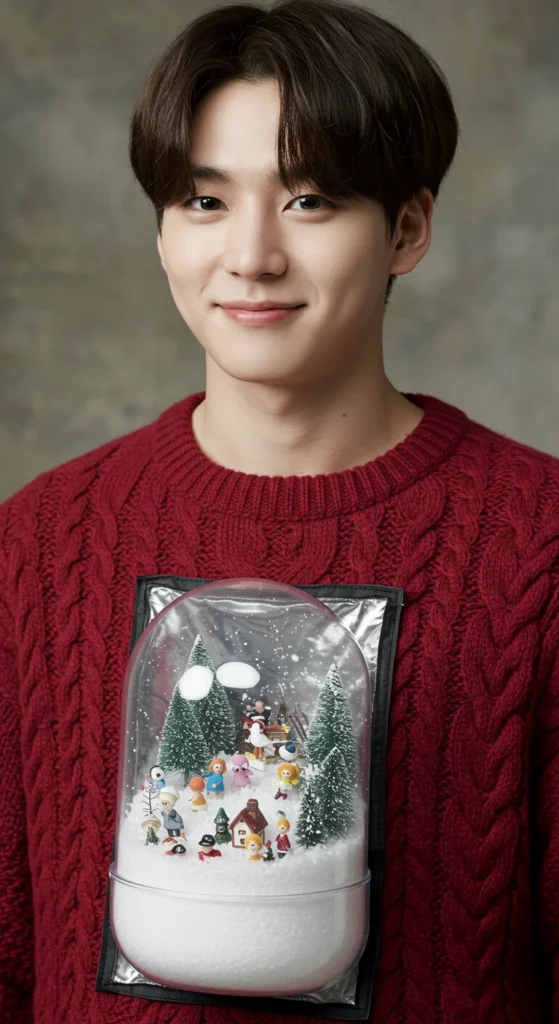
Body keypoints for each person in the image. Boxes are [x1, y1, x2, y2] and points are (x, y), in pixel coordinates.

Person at [0, 0, 558, 1020]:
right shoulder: (38, 544)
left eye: (308, 200)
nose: (251, 255)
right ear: (162, 231)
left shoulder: (537, 549)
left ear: (406, 229)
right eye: (205, 201)